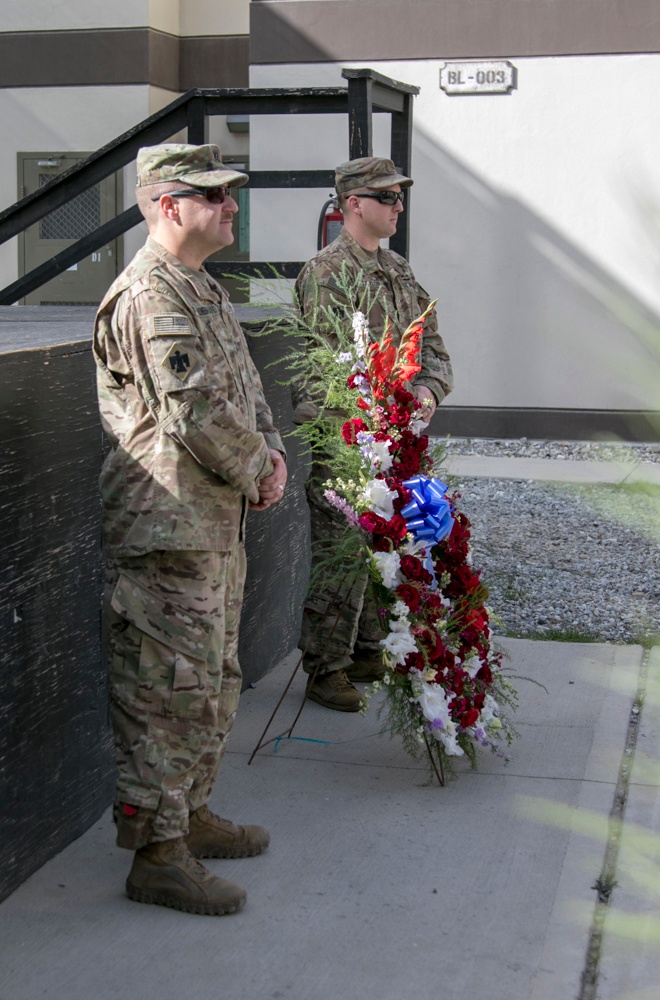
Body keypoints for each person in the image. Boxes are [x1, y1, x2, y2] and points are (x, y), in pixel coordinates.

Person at [93, 143, 287, 916]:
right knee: (167, 691)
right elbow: (194, 412)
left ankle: (193, 814)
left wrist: (268, 454)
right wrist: (257, 468)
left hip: (213, 523)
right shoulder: (151, 296)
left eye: (232, 194)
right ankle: (157, 855)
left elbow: (246, 391)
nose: (231, 206)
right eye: (214, 195)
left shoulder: (200, 288)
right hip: (168, 527)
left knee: (213, 682)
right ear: (167, 206)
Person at [294, 156, 453, 712]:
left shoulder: (398, 270)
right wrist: (378, 418)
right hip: (348, 437)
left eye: (400, 197)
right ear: (353, 205)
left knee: (388, 543)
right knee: (343, 550)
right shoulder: (327, 272)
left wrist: (428, 392)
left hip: (398, 440)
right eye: (387, 198)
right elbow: (330, 367)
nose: (398, 207)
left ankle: (365, 649)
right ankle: (325, 666)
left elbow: (432, 345)